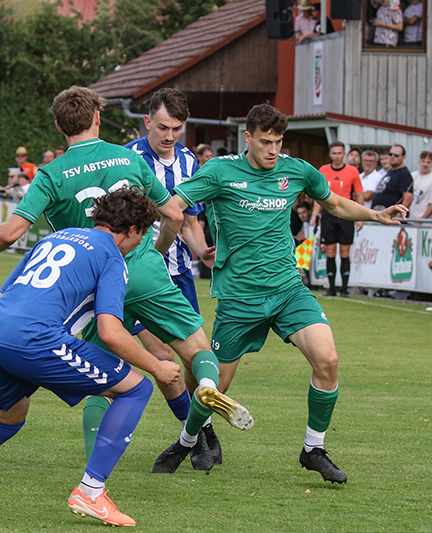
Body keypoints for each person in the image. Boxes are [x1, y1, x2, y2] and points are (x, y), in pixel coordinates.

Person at [0, 86, 252, 474]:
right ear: (97, 117)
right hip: (145, 270)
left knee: (104, 376)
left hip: (95, 280)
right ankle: (202, 410)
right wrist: (154, 253)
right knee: (195, 350)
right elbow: (175, 216)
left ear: (58, 125)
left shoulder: (51, 173)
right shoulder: (128, 157)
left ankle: (96, 474)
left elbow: (12, 232)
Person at [154, 103, 409, 482]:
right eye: (265, 142)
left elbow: (334, 202)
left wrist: (376, 214)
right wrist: (155, 250)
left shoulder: (297, 170)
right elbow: (172, 207)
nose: (273, 150)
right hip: (239, 298)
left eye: (278, 142)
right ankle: (190, 438)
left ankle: (313, 449)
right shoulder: (220, 172)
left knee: (328, 360)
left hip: (288, 290)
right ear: (248, 138)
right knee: (213, 387)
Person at [0, 187, 181, 526]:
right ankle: (91, 492)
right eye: (143, 235)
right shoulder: (111, 256)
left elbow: (0, 297)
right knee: (137, 387)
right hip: (34, 339)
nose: (140, 243)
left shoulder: (57, 237)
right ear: (133, 230)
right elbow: (110, 331)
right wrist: (156, 366)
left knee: (7, 420)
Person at [124, 87, 222, 470]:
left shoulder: (189, 160)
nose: (169, 135)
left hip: (178, 275)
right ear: (147, 121)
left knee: (194, 360)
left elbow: (190, 223)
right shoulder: (128, 159)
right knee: (163, 358)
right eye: (162, 127)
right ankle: (197, 436)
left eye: (176, 129)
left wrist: (202, 251)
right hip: (137, 277)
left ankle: (201, 431)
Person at [313, 141, 363, 297]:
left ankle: (345, 288)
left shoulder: (352, 171)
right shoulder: (323, 170)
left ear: (344, 154)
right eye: (334, 153)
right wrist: (315, 214)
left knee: (345, 251)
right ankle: (331, 288)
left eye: (339, 153)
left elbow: (359, 194)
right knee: (330, 250)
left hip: (346, 213)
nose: (336, 156)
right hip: (328, 213)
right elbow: (317, 193)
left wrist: (360, 216)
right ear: (330, 154)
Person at [372, 144, 413, 210]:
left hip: (391, 215)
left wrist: (399, 214)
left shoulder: (404, 174)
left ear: (403, 157)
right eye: (390, 154)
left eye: (396, 155)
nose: (392, 157)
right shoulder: (391, 171)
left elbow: (409, 198)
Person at [409, 150, 432, 219]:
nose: (425, 164)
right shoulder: (412, 176)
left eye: (428, 162)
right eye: (423, 161)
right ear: (419, 162)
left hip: (425, 222)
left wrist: (421, 221)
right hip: (409, 219)